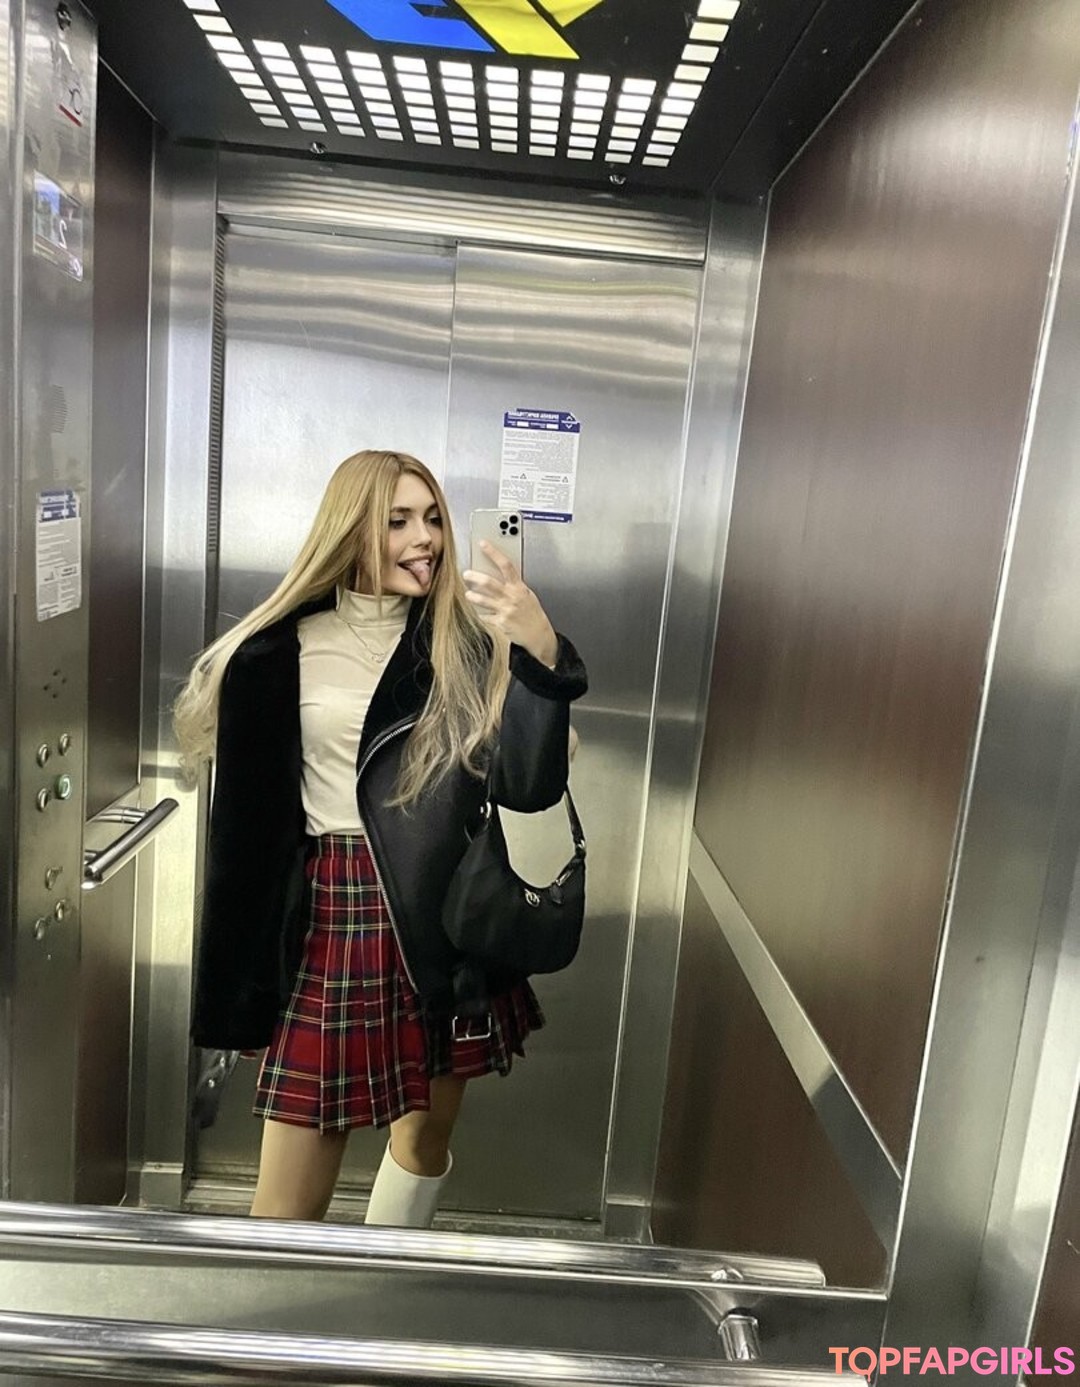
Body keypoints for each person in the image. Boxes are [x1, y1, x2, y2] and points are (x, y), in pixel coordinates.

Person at [175, 449, 587, 1227]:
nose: (424, 537)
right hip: (334, 914)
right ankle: (272, 1308)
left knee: (424, 1140)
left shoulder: (462, 644)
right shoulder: (278, 652)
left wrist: (535, 652)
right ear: (351, 529)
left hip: (444, 907)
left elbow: (535, 779)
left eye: (432, 518)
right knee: (287, 1197)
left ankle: (387, 1275)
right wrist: (236, 981)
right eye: (398, 520)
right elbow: (245, 836)